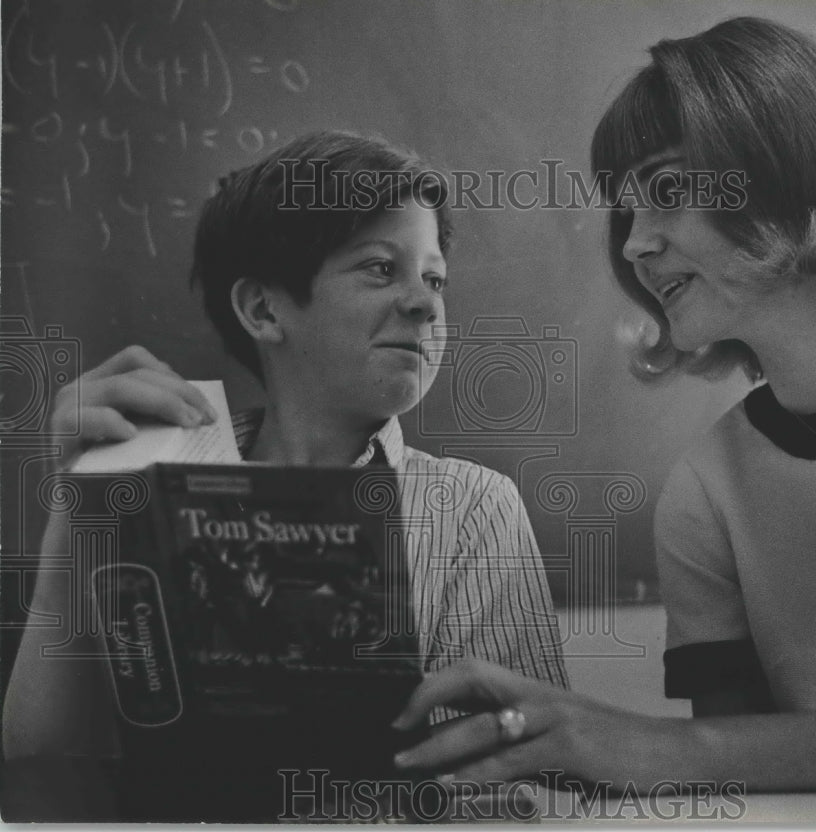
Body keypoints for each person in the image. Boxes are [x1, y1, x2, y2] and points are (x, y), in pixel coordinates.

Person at [392, 17, 816, 792]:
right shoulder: (705, 493)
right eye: (628, 208)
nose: (636, 243)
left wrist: (648, 747)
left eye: (670, 191)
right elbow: (740, 786)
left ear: (796, 168)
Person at [2, 132, 567, 816]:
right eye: (381, 270)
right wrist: (78, 501)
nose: (425, 304)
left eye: (435, 277)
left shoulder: (474, 508)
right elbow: (38, 766)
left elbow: (524, 782)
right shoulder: (145, 487)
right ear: (264, 310)